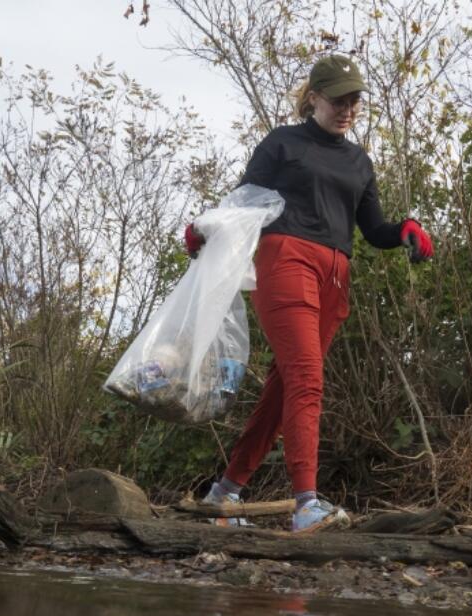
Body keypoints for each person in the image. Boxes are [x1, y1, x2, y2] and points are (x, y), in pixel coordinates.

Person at [185, 54, 434, 534]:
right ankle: (306, 505)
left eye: (354, 100)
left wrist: (405, 228)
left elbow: (372, 229)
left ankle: (223, 494)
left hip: (335, 278)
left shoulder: (360, 162)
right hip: (286, 261)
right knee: (306, 377)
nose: (347, 108)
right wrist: (205, 230)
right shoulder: (283, 143)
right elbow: (244, 204)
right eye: (338, 99)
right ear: (313, 98)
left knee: (285, 388)